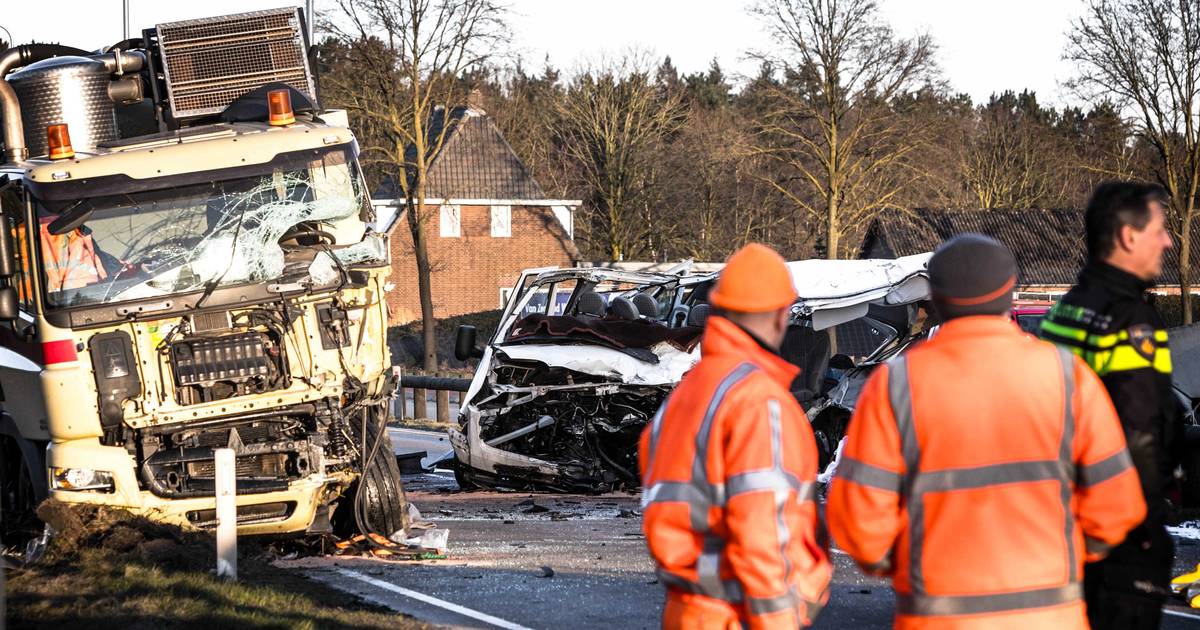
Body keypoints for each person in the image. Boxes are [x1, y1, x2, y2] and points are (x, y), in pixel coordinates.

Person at [828, 233, 1146, 629]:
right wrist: (1065, 558)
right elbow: (1117, 508)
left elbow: (859, 524)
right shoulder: (1068, 377)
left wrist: (910, 566)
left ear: (934, 299)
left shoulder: (896, 385)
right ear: (1010, 294)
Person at [639, 243, 832, 629]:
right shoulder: (757, 401)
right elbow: (763, 533)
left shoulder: (686, 395)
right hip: (739, 615)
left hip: (687, 611)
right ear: (780, 314)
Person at [1039, 182, 1182, 629]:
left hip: (1064, 521)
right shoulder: (1129, 320)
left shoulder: (1065, 311)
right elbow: (1138, 433)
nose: (1168, 242)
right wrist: (1145, 528)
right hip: (1118, 536)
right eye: (1159, 230)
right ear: (1128, 236)